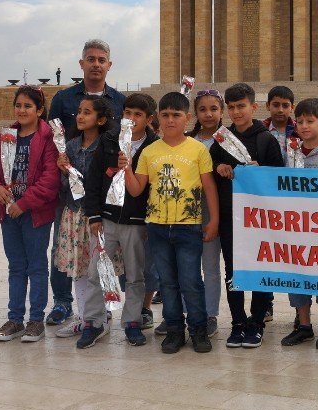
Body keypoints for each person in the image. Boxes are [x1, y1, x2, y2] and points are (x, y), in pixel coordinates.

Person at [122, 92, 219, 354]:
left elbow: (209, 188)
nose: (170, 120)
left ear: (187, 118)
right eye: (165, 115)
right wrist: (127, 169)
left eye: (176, 115)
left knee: (190, 280)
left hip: (189, 226)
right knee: (167, 281)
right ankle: (175, 329)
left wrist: (214, 221)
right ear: (158, 120)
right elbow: (135, 190)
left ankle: (198, 328)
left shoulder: (198, 149)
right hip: (158, 227)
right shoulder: (149, 152)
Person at [45, 39, 126, 327]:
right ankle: (63, 304)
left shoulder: (119, 100)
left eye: (101, 59)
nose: (95, 64)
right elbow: (50, 136)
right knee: (64, 247)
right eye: (90, 59)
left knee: (101, 252)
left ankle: (100, 310)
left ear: (109, 65)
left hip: (103, 194)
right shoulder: (64, 99)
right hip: (68, 192)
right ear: (81, 64)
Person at [78, 93, 160, 347]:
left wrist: (149, 221)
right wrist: (94, 215)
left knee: (135, 275)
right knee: (96, 272)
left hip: (136, 222)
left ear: (149, 119)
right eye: (128, 113)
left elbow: (153, 187)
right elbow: (93, 179)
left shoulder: (154, 146)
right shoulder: (109, 140)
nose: (132, 119)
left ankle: (132, 322)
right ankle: (93, 322)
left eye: (138, 115)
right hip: (107, 220)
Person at [211, 83, 284, 348]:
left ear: (253, 107)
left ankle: (256, 322)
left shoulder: (266, 139)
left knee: (260, 269)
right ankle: (238, 322)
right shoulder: (221, 138)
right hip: (231, 217)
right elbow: (210, 170)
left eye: (241, 106)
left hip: (260, 220)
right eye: (231, 107)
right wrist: (219, 167)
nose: (236, 112)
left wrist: (260, 170)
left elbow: (278, 180)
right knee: (233, 271)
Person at [0, 86, 60, 342]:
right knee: (16, 266)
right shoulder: (7, 135)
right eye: (19, 105)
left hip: (35, 213)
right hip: (9, 213)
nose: (22, 110)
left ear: (39, 110)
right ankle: (15, 319)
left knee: (37, 265)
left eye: (29, 106)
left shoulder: (48, 138)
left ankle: (36, 320)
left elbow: (51, 179)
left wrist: (25, 202)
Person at [280, 98, 318, 350]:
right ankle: (304, 326)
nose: (305, 126)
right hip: (296, 228)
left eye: (311, 121)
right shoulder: (291, 152)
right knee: (297, 276)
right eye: (301, 121)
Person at [52, 96, 111, 340]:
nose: (81, 116)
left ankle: (102, 315)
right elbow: (67, 186)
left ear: (102, 119)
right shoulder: (71, 146)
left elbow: (104, 184)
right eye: (79, 111)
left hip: (96, 216)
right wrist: (63, 169)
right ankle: (83, 316)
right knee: (79, 268)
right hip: (74, 214)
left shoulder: (107, 146)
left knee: (98, 268)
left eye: (87, 112)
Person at [188, 89, 225, 337]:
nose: (208, 114)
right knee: (186, 266)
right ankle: (185, 312)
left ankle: (210, 313)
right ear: (195, 113)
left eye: (214, 109)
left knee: (210, 266)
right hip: (186, 211)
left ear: (222, 111)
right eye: (203, 109)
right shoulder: (186, 140)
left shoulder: (229, 141)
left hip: (215, 209)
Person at [262, 85, 296, 160]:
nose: (280, 110)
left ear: (292, 108)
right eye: (276, 105)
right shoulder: (260, 130)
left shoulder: (298, 130)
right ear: (268, 106)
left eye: (285, 106)